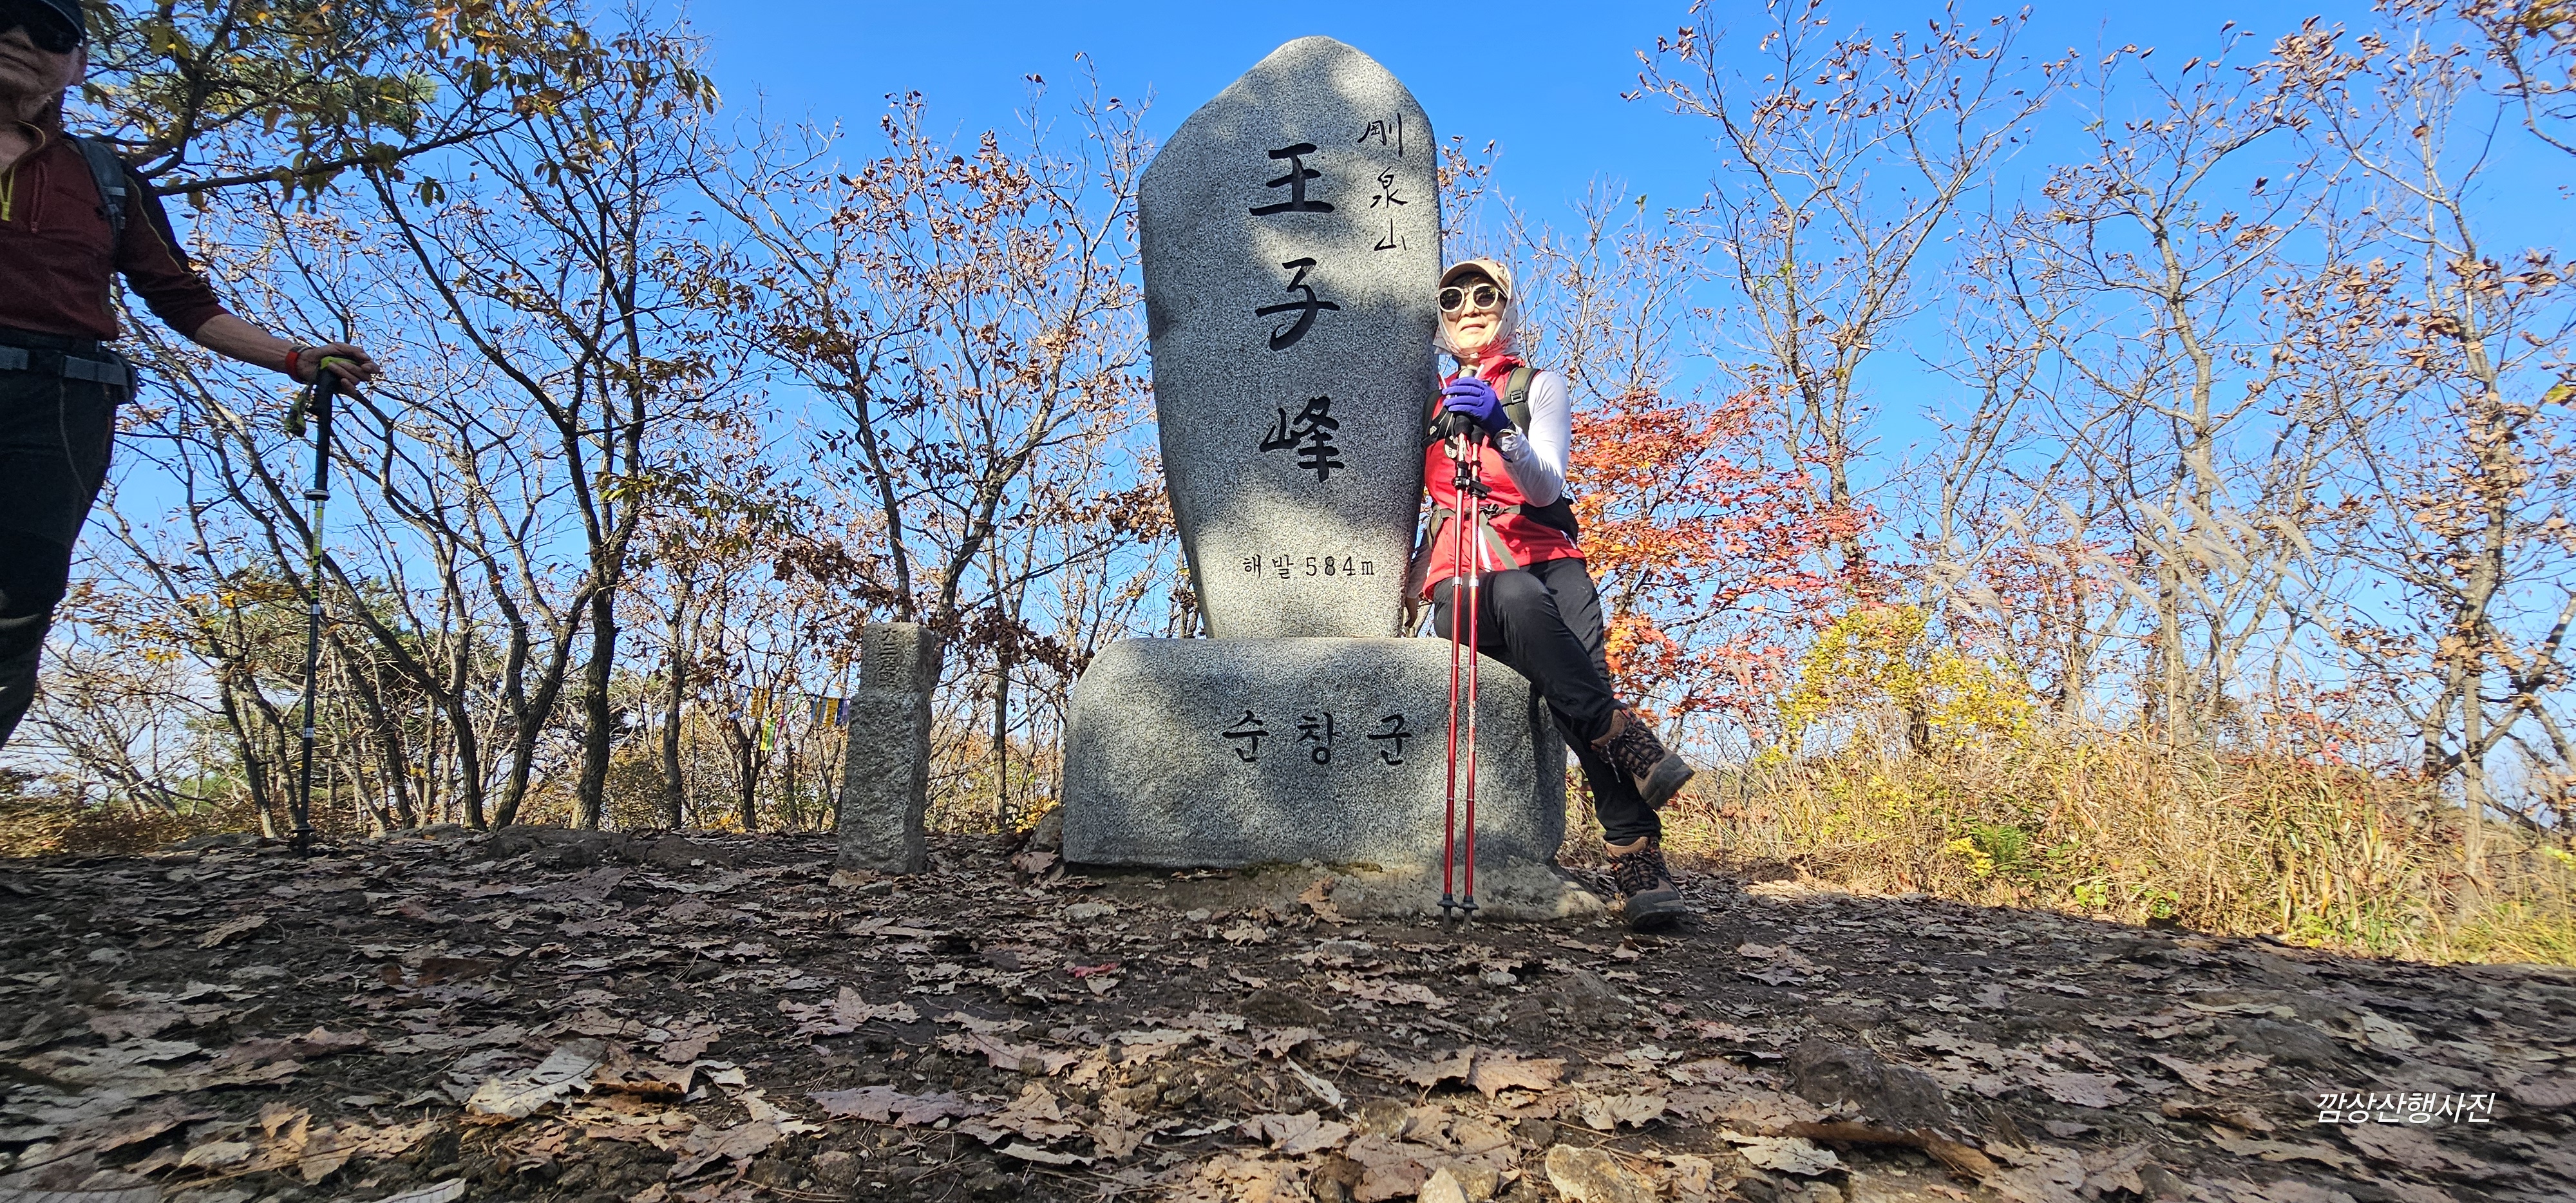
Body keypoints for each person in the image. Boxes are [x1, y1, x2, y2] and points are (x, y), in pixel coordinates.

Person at [0, 0, 379, 748]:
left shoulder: (106, 177)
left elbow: (181, 298)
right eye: (3, 18)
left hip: (61, 404)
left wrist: (296, 358)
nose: (17, 37)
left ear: (77, 65)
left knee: (18, 599)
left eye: (49, 31)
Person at [1414, 258, 1698, 931]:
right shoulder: (1426, 403)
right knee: (1524, 609)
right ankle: (1625, 737)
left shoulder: (1537, 386)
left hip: (1550, 558)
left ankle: (1637, 858)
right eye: (1452, 299)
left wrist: (1501, 428)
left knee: (1580, 679)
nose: (1468, 307)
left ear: (1508, 306)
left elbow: (1546, 485)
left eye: (1485, 295)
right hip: (1464, 573)